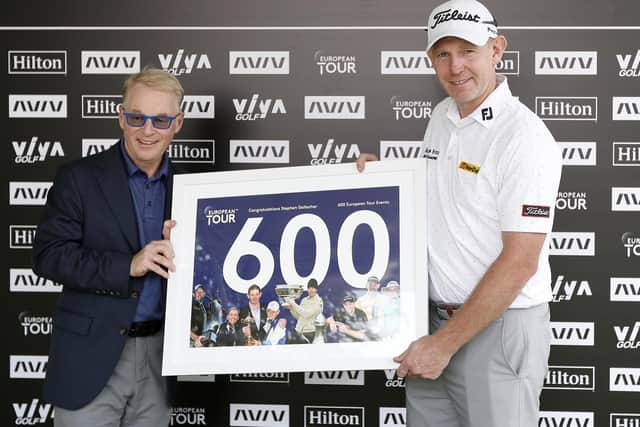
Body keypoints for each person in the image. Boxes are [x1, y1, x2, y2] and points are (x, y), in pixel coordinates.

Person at [356, 0, 562, 425]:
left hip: (497, 329)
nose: (455, 68)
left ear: (497, 49)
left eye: (468, 52)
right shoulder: (443, 116)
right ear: (430, 58)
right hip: (432, 325)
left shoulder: (524, 137)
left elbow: (520, 260)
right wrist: (380, 181)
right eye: (443, 54)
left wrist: (443, 344)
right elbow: (440, 204)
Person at [32, 67, 185, 426]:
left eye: (161, 120)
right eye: (137, 118)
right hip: (90, 359)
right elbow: (48, 256)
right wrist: (128, 265)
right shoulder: (79, 178)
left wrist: (345, 179)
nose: (148, 131)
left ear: (177, 123)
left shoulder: (192, 191)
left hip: (160, 360)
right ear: (121, 117)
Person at [283, 278, 324, 344]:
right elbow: (299, 317)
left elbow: (306, 314)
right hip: (298, 332)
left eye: (313, 288)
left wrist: (293, 303)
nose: (311, 290)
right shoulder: (304, 300)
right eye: (309, 288)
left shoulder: (318, 302)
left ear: (316, 289)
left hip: (310, 333)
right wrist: (291, 309)